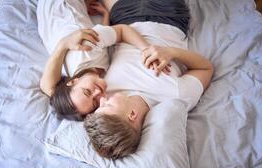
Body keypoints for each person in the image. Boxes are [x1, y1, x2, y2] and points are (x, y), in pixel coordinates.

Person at [84, 0, 214, 159]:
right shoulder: (176, 95)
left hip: (125, 18)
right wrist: (171, 53)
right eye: (108, 105)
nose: (102, 99)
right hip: (167, 15)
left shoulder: (104, 89)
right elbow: (206, 68)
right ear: (132, 115)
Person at [37, 0, 149, 120]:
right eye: (95, 102)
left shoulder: (86, 48)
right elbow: (102, 42)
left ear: (73, 81)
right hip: (48, 18)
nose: (98, 94)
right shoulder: (78, 84)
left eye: (87, 92)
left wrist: (147, 49)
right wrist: (106, 16)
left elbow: (122, 30)